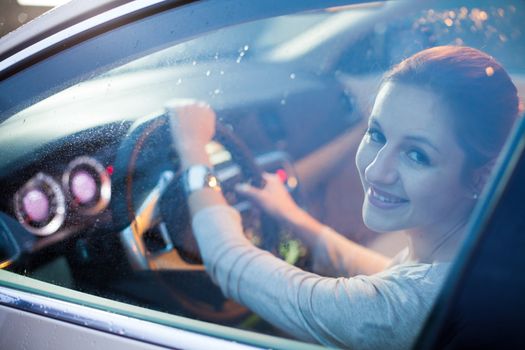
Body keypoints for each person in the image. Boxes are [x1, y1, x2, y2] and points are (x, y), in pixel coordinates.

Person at [167, 46, 520, 349]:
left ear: (482, 177)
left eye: (417, 155)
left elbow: (229, 263)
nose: (377, 171)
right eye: (377, 134)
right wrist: (295, 219)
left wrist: (193, 150)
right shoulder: (471, 266)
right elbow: (389, 279)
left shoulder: (408, 309)